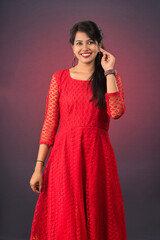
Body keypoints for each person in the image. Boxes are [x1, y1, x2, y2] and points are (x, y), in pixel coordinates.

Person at [29, 20, 127, 240]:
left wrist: (109, 71)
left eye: (91, 42)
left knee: (99, 214)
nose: (85, 48)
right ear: (72, 47)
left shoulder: (110, 78)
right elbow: (49, 124)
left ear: (99, 45)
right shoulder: (59, 78)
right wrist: (38, 167)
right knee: (65, 217)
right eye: (79, 43)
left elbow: (117, 112)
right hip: (64, 158)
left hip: (97, 157)